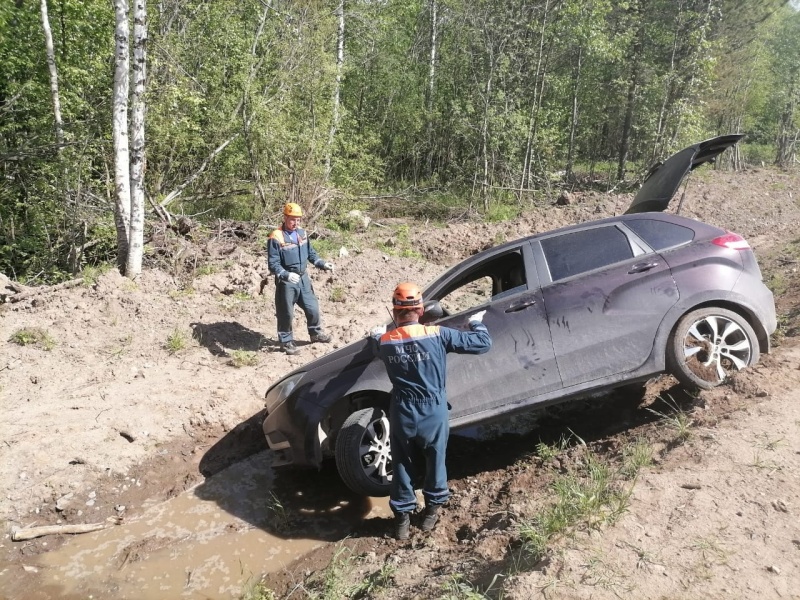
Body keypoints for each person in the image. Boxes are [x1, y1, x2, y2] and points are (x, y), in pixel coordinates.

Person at [372, 282, 491, 540]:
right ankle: (430, 514)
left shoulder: (385, 341)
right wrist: (475, 322)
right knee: (435, 459)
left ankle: (402, 521)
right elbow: (483, 344)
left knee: (402, 462)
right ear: (421, 309)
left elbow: (375, 347)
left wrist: (377, 334)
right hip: (432, 409)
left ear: (395, 312)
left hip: (402, 410)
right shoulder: (438, 334)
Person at [267, 202, 335, 355]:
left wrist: (322, 264)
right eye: (292, 219)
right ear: (285, 218)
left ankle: (315, 333)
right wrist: (285, 274)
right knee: (286, 313)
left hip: (303, 278)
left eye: (298, 220)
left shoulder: (302, 234)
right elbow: (273, 264)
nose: (295, 223)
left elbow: (311, 254)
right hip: (287, 282)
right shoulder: (276, 237)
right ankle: (286, 341)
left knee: (313, 308)